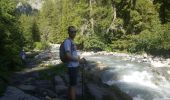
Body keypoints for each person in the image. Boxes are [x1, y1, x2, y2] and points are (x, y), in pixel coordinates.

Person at [63, 26, 85, 100]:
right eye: (72, 32)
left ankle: (68, 98)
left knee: (71, 84)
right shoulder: (67, 42)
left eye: (75, 31)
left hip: (74, 66)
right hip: (72, 67)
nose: (74, 33)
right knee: (73, 86)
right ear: (68, 32)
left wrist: (78, 58)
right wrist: (79, 60)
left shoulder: (72, 41)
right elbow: (68, 56)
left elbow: (73, 54)